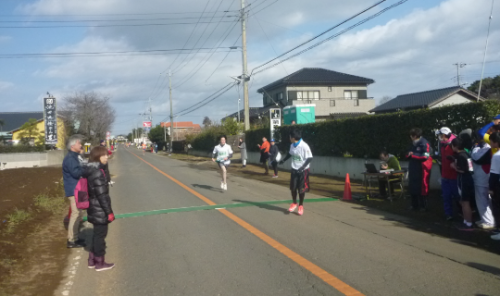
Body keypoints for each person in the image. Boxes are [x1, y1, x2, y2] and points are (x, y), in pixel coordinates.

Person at [86, 146, 115, 271]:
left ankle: (92, 260)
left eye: (106, 155)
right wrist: (109, 212)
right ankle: (100, 263)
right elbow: (102, 195)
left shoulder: (92, 169)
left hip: (93, 207)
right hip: (99, 209)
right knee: (100, 236)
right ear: (97, 156)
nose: (106, 157)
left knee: (97, 234)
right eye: (104, 155)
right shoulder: (97, 172)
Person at [62, 135, 88, 248]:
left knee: (79, 213)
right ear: (73, 146)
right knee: (75, 213)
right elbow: (76, 173)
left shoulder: (76, 157)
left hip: (79, 188)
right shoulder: (70, 159)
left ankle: (75, 238)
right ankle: (71, 240)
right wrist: (86, 168)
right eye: (79, 144)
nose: (81, 145)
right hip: (74, 189)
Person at [279, 129, 313, 216]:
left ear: (293, 137)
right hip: (294, 169)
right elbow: (290, 154)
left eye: (290, 136)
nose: (289, 138)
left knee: (301, 189)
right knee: (293, 188)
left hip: (303, 170)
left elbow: (309, 158)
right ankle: (294, 203)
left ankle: (301, 205)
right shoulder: (292, 145)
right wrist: (283, 160)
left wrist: (302, 167)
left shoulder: (304, 146)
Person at [450, 138, 475, 230]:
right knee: (465, 201)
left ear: (455, 146)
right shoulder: (467, 153)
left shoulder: (460, 156)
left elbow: (462, 170)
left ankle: (468, 223)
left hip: (463, 179)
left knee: (465, 202)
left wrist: (454, 166)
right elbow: (470, 168)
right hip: (470, 178)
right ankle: (466, 220)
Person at [471, 136, 495, 229]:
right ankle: (487, 219)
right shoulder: (490, 148)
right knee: (487, 200)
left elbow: (475, 157)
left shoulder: (481, 149)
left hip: (481, 178)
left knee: (481, 200)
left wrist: (475, 147)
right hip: (487, 177)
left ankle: (488, 221)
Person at [407, 128, 433, 211]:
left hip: (421, 168)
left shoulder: (424, 143)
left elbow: (425, 156)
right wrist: (409, 155)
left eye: (411, 135)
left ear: (414, 136)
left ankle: (423, 206)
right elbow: (408, 153)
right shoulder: (412, 144)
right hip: (413, 167)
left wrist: (413, 155)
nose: (410, 137)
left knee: (422, 187)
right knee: (412, 186)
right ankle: (414, 205)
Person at [437, 127, 459, 220]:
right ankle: (448, 214)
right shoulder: (443, 145)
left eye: (441, 135)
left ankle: (462, 213)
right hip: (445, 174)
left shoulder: (454, 144)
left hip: (454, 175)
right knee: (446, 196)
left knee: (458, 196)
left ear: (445, 135)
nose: (440, 137)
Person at [488, 133, 500, 240]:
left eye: (491, 141)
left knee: (497, 208)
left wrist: (491, 188)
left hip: (498, 186)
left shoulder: (497, 156)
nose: (490, 143)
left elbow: (494, 175)